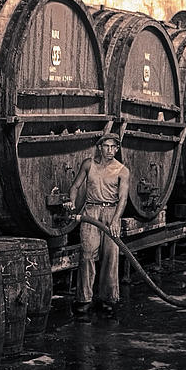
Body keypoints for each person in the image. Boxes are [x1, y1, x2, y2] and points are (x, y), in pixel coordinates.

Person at [65, 132, 130, 316]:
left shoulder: (122, 170)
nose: (110, 150)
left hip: (111, 214)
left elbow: (123, 199)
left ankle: (108, 298)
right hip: (90, 212)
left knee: (110, 256)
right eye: (107, 146)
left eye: (114, 147)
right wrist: (72, 202)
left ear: (117, 149)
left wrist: (116, 219)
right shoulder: (89, 164)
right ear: (100, 147)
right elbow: (75, 186)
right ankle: (84, 299)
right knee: (87, 255)